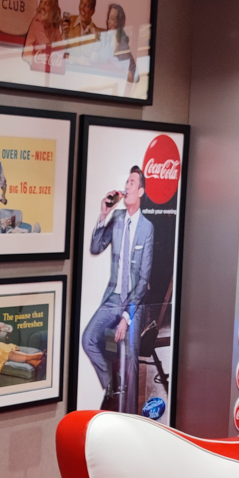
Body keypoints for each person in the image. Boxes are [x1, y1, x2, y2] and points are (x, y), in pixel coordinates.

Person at [80, 167, 156, 410]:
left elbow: (143, 279)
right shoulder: (117, 218)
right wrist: (104, 214)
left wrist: (126, 318)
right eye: (127, 181)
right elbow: (95, 248)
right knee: (88, 339)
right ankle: (112, 385)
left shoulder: (147, 228)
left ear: (140, 191)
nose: (127, 186)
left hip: (133, 302)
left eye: (132, 182)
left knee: (131, 358)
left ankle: (130, 415)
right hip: (113, 297)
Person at [23, 0, 64, 73]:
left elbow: (61, 49)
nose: (42, 7)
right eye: (41, 2)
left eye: (46, 4)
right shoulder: (37, 23)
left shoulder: (53, 25)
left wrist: (65, 34)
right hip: (30, 68)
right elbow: (47, 48)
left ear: (54, 9)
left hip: (43, 69)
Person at [64, 0, 103, 64]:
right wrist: (64, 35)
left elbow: (92, 62)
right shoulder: (69, 22)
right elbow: (61, 52)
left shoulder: (97, 35)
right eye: (81, 3)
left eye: (86, 6)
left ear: (92, 11)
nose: (82, 8)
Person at [104, 3, 136, 84]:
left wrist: (120, 71)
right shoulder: (104, 40)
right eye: (108, 18)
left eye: (112, 19)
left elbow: (134, 75)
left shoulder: (122, 46)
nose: (108, 21)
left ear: (118, 23)